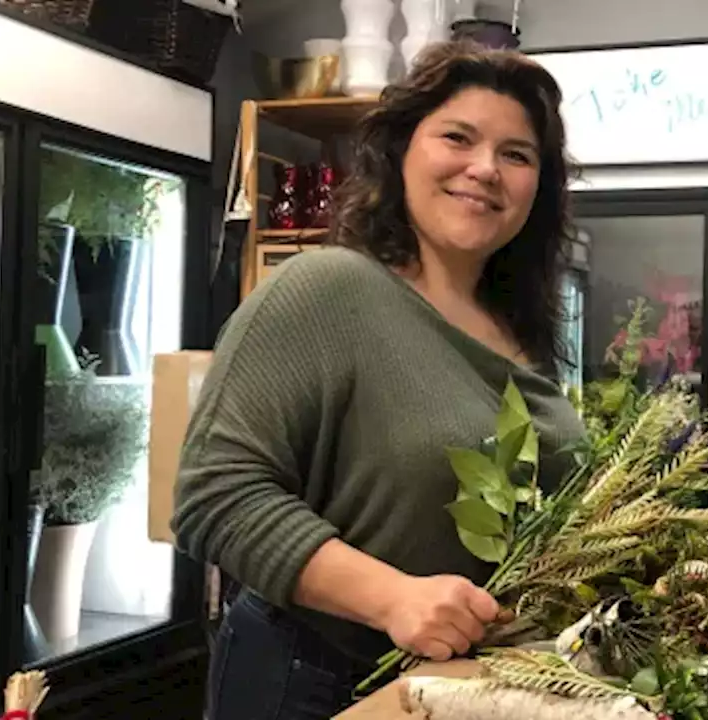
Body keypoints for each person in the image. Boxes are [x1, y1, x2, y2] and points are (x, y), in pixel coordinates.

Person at [171, 40, 587, 719]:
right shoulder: (327, 290)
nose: (486, 169)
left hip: (462, 690)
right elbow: (214, 495)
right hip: (316, 681)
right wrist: (392, 596)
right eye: (459, 137)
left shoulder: (521, 337)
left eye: (517, 154)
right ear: (401, 151)